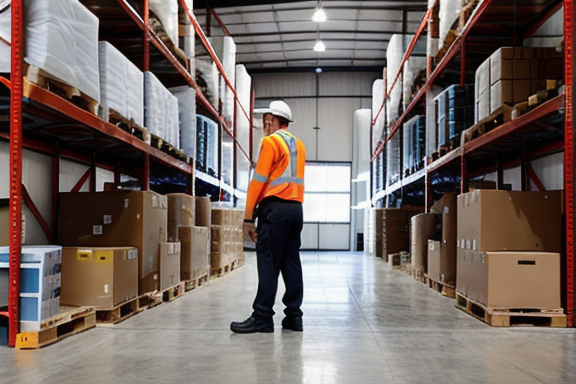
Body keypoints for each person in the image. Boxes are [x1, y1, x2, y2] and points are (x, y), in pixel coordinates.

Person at [231, 100, 306, 333]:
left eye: (267, 120)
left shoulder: (270, 142)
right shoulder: (299, 145)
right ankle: (294, 317)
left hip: (274, 211)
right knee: (290, 262)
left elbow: (259, 180)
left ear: (271, 120)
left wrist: (247, 218)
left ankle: (262, 316)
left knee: (268, 263)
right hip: (295, 210)